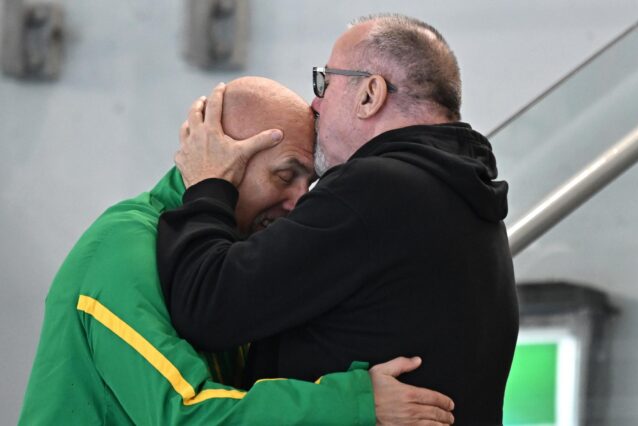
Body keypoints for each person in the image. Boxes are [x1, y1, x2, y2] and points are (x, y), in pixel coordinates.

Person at [19, 76, 455, 425]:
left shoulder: (234, 256)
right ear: (221, 159)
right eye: (286, 175)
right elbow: (184, 414)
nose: (301, 201)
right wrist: (356, 403)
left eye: (311, 183)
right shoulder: (121, 249)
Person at [158, 14, 518, 424]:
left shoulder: (377, 189)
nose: (315, 105)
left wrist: (207, 184)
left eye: (323, 84)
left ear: (370, 94)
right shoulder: (465, 201)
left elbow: (208, 305)